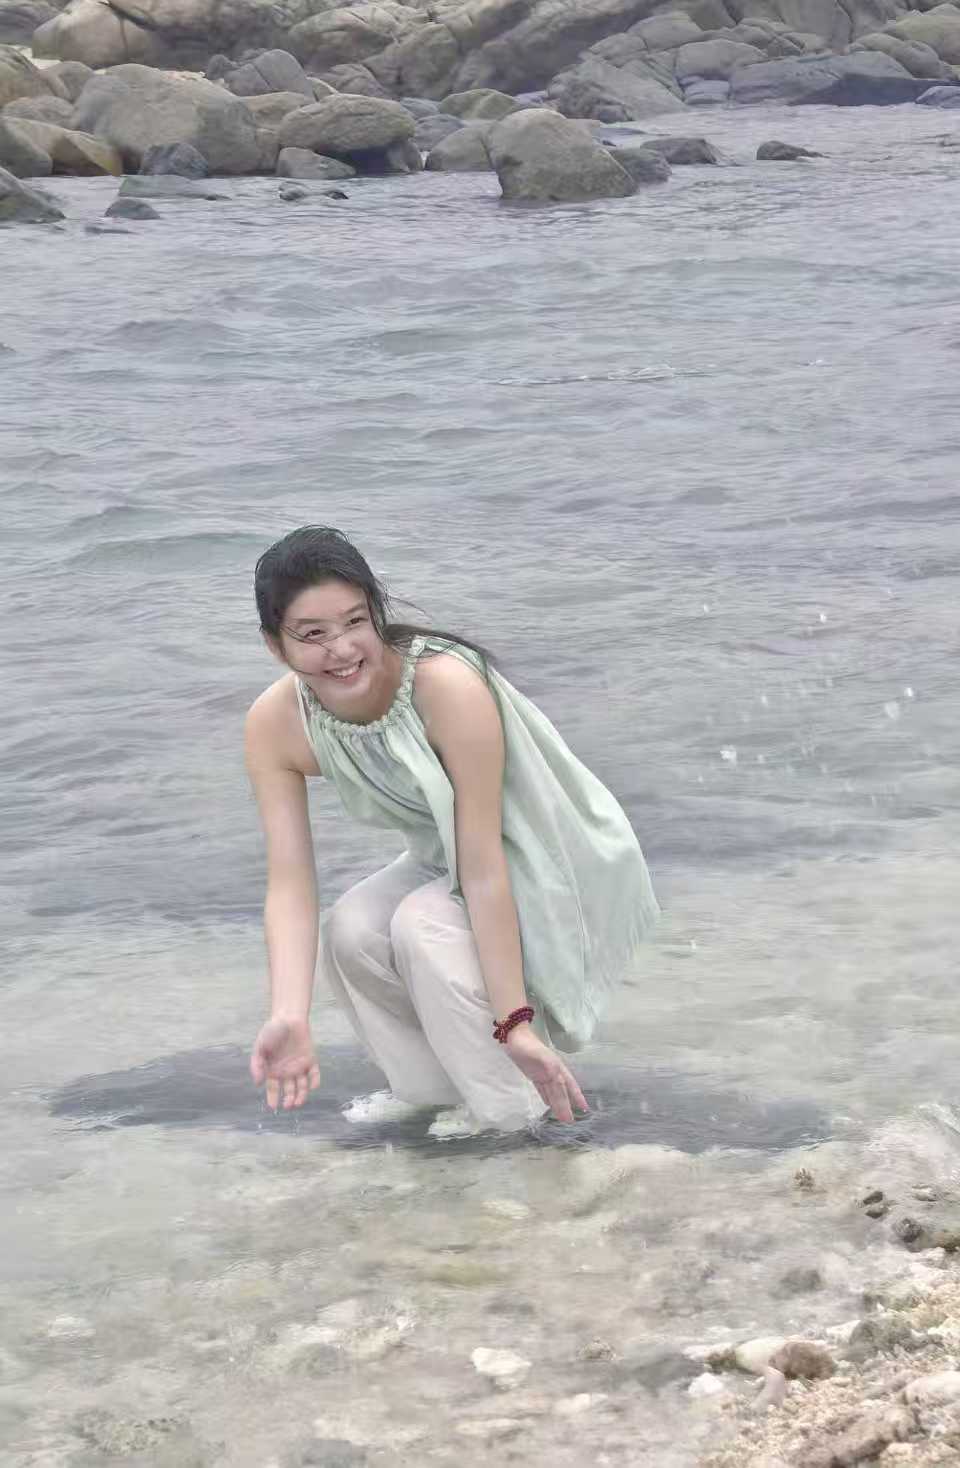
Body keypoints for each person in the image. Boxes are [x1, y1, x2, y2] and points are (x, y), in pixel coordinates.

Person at [246, 526, 659, 1133]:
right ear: (275, 645)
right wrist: (290, 1013)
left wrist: (513, 1022)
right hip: (445, 853)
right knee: (352, 929)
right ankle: (436, 1100)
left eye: (356, 621)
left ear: (377, 612)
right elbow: (289, 885)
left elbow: (485, 866)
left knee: (421, 926)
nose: (342, 649)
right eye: (312, 635)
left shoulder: (444, 684)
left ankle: (519, 1120)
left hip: (546, 849)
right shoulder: (275, 723)